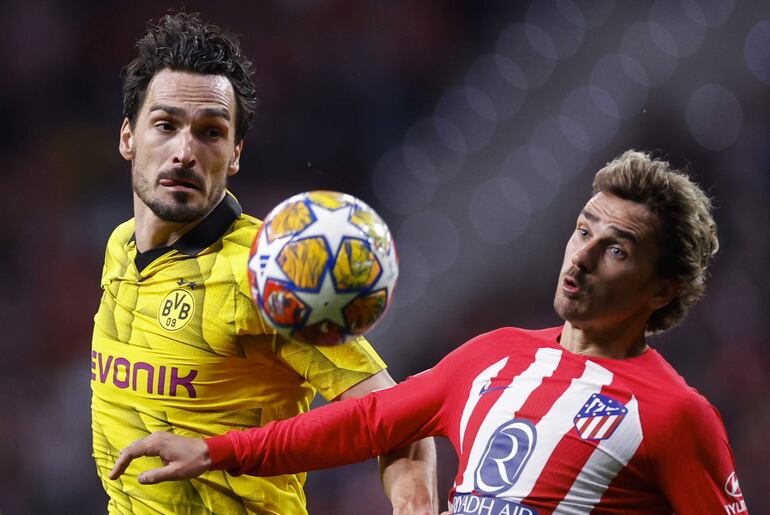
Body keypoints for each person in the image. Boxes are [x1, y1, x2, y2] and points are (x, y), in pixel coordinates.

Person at [110, 149, 751, 514]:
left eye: (616, 250)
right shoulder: (494, 357)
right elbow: (366, 422)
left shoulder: (674, 417)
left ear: (663, 289)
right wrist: (217, 451)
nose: (581, 256)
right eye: (583, 229)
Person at [91, 11, 437, 515]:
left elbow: (397, 419)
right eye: (165, 125)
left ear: (234, 154)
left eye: (211, 132)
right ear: (128, 137)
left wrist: (415, 505)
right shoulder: (120, 245)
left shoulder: (270, 272)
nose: (185, 151)